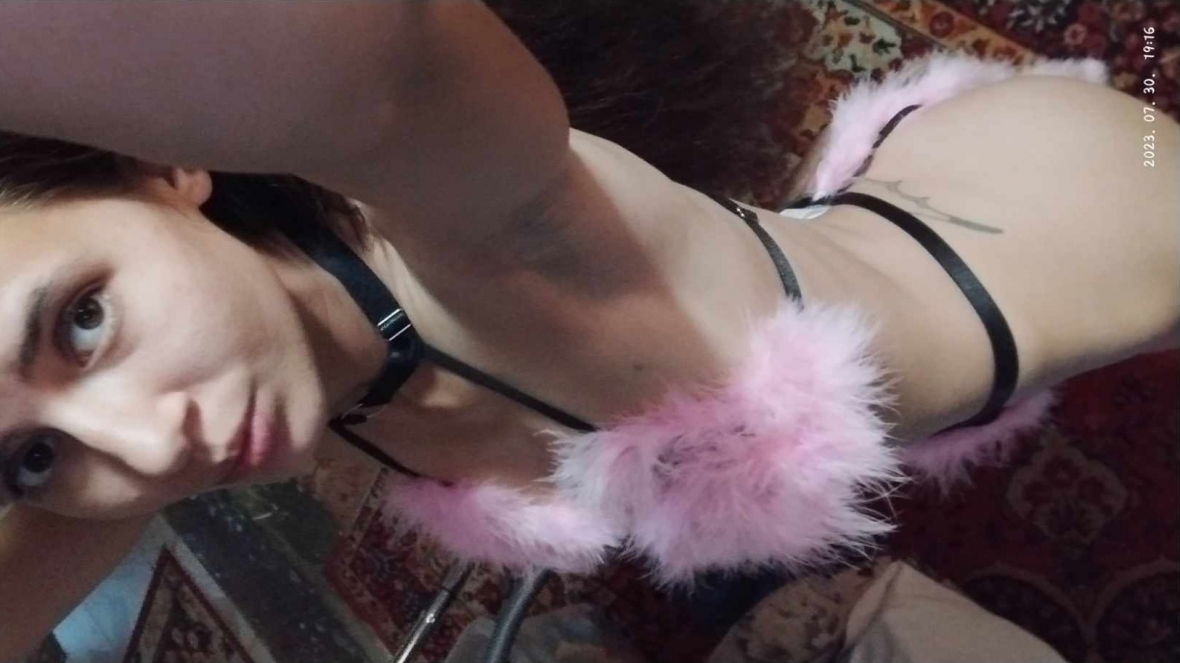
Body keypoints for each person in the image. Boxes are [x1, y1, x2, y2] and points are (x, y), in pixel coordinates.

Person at [0, 3, 1176, 660]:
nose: (148, 446)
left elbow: (374, 67)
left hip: (1096, 217)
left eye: (81, 321)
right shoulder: (232, 383)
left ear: (165, 166)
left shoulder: (478, 224)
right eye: (30, 460)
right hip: (899, 219)